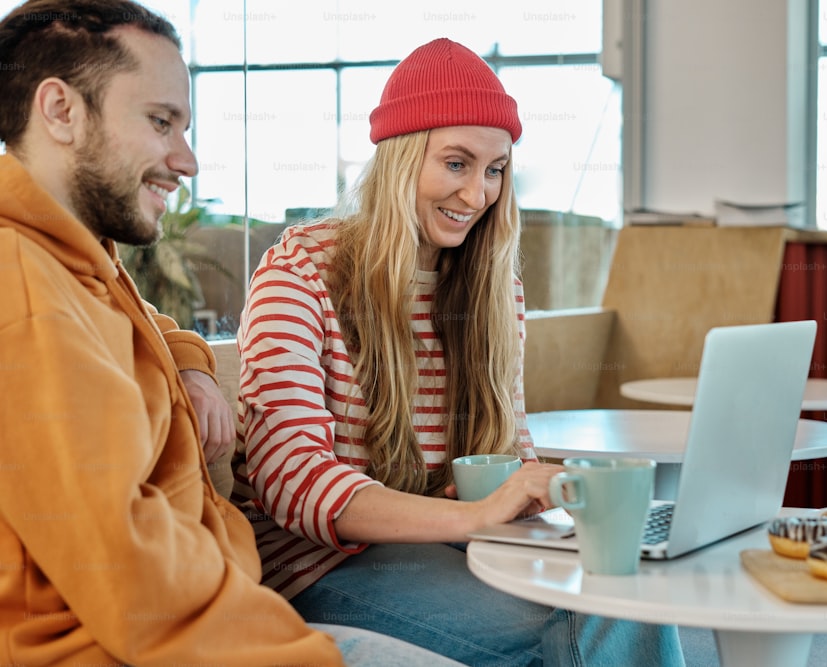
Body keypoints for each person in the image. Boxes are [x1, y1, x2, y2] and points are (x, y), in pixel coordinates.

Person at [0, 2, 462, 665]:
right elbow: (133, 580)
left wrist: (187, 362)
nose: (186, 160)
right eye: (161, 122)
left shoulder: (78, 259)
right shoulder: (22, 284)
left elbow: (144, 322)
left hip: (214, 612)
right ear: (60, 110)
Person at [232, 37, 686, 666]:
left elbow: (512, 448)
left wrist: (547, 500)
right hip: (318, 567)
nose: (478, 196)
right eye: (456, 164)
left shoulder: (497, 288)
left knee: (623, 587)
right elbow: (293, 483)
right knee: (570, 628)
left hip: (452, 544)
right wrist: (478, 520)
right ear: (399, 160)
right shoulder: (301, 271)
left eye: (495, 169)